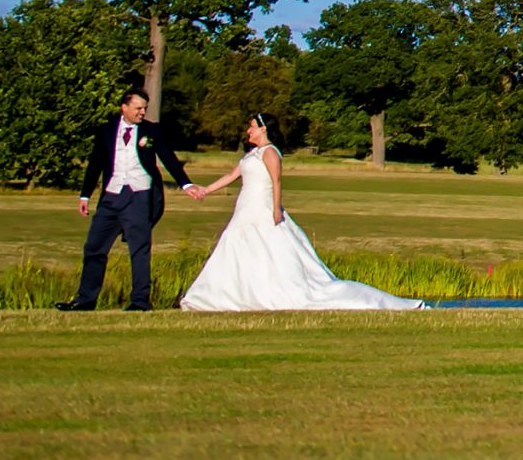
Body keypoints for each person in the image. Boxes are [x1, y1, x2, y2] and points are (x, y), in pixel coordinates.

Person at [180, 113, 427, 312]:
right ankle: (220, 296)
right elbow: (232, 176)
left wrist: (275, 210)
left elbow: (276, 182)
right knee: (236, 249)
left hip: (263, 208)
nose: (248, 131)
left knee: (272, 253)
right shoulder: (251, 154)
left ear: (264, 129)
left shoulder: (269, 152)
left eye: (252, 127)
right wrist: (205, 190)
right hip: (245, 209)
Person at [64, 86, 202, 312]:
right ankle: (85, 300)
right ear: (124, 107)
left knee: (139, 249)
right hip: (111, 196)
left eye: (144, 108)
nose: (141, 112)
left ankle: (140, 301)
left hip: (139, 196)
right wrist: (85, 195)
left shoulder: (151, 130)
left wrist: (185, 183)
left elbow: (168, 157)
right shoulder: (106, 130)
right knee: (94, 247)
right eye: (138, 108)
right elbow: (96, 164)